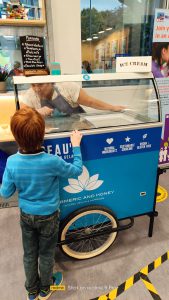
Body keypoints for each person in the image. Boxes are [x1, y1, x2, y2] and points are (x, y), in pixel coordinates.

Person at [0, 107, 83, 300]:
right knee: (46, 254)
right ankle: (46, 288)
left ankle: (31, 290)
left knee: (29, 254)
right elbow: (76, 171)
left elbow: (5, 193)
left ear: (14, 136)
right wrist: (76, 146)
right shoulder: (52, 161)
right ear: (43, 134)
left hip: (26, 216)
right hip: (49, 215)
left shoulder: (12, 162)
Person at [21, 81, 125, 117]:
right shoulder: (30, 94)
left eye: (40, 85)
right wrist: (37, 112)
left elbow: (90, 102)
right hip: (52, 132)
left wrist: (112, 107)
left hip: (77, 128)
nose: (37, 89)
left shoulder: (67, 87)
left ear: (50, 81)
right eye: (33, 85)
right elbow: (21, 114)